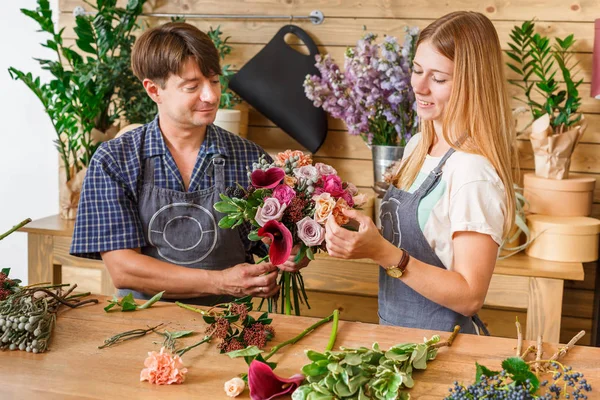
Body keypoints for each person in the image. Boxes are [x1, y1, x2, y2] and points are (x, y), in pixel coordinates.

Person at [70, 22, 307, 305]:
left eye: (215, 81)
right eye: (192, 86)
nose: (211, 96)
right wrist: (220, 282)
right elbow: (123, 269)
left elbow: (270, 246)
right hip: (143, 322)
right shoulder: (115, 160)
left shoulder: (248, 158)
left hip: (231, 327)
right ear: (153, 90)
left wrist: (291, 252)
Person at [325, 11, 517, 334]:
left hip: (444, 350)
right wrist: (352, 230)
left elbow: (470, 295)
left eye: (438, 78)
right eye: (416, 70)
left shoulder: (472, 171)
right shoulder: (417, 146)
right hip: (397, 339)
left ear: (474, 84)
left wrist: (382, 253)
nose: (419, 86)